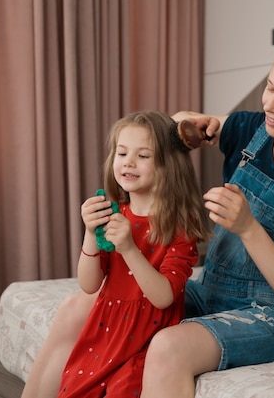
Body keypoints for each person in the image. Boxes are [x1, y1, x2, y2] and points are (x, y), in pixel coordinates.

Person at [21, 38, 274, 398]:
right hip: (209, 291)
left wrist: (248, 229)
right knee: (77, 309)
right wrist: (191, 127)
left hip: (270, 315)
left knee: (168, 346)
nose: (270, 105)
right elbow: (180, 125)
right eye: (270, 88)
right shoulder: (251, 131)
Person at [50, 111, 211, 397]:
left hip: (144, 343)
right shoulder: (114, 215)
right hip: (104, 335)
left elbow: (163, 297)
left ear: (168, 166)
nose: (128, 162)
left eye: (143, 156)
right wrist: (90, 233)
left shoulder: (179, 229)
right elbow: (89, 285)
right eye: (121, 153)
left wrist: (128, 248)